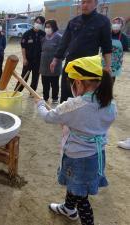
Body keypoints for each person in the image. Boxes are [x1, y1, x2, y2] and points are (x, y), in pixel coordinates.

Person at [35, 55, 117, 225]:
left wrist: (40, 104)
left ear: (79, 82)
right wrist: (71, 124)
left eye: (73, 83)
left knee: (82, 198)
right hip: (96, 155)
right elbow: (90, 122)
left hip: (78, 158)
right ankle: (68, 209)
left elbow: (49, 117)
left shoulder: (73, 106)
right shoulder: (108, 102)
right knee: (76, 186)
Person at [50, 0, 112, 103]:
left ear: (96, 3)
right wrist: (55, 59)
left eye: (88, 2)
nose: (85, 5)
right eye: (83, 2)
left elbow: (107, 46)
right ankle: (65, 117)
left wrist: (108, 66)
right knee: (66, 94)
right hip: (71, 64)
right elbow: (64, 43)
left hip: (88, 66)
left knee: (85, 97)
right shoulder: (73, 21)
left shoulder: (103, 21)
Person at [15, 16, 45, 92]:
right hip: (28, 60)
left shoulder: (43, 34)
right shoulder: (27, 34)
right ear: (34, 22)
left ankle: (32, 92)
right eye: (37, 22)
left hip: (38, 60)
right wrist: (24, 59)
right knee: (24, 76)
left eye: (40, 23)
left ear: (42, 24)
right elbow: (23, 47)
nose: (38, 24)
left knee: (35, 77)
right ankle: (18, 91)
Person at [39, 19, 62, 103]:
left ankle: (55, 98)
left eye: (49, 27)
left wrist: (57, 59)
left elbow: (63, 51)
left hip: (55, 65)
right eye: (46, 27)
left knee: (54, 83)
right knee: (45, 83)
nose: (47, 28)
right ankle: (45, 97)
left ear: (54, 27)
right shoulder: (44, 38)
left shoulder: (59, 37)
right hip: (44, 64)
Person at [109, 17, 129, 84]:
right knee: (103, 78)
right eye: (114, 23)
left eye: (118, 23)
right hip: (105, 60)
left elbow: (124, 50)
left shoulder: (124, 37)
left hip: (116, 63)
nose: (116, 24)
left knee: (111, 79)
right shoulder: (107, 35)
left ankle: (109, 92)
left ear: (122, 25)